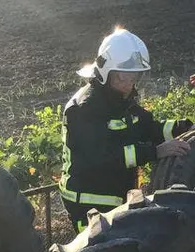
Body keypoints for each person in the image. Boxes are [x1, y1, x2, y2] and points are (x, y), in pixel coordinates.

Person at [60, 27, 194, 230]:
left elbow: (149, 127)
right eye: (121, 77)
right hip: (88, 203)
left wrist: (184, 127)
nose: (128, 84)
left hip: (116, 196)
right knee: (101, 249)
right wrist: (155, 152)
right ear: (105, 72)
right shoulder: (84, 109)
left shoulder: (120, 99)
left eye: (133, 78)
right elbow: (102, 156)